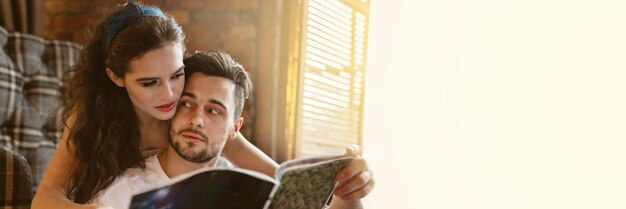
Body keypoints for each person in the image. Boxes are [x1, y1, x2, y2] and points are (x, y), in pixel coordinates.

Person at [32, 2, 373, 209]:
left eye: (176, 75)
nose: (169, 95)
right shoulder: (94, 120)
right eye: (149, 83)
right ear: (117, 78)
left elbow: (286, 184)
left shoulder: (194, 120)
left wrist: (346, 183)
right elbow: (46, 196)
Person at [90, 51, 368, 209]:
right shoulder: (122, 192)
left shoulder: (250, 193)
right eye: (187, 104)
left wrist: (349, 191)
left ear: (235, 128)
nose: (197, 120)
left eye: (214, 111)